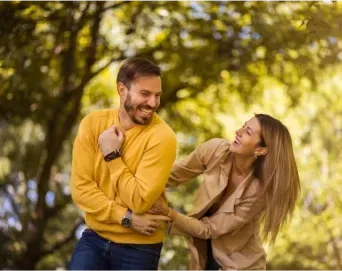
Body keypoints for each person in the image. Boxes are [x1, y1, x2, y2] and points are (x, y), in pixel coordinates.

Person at [149, 114, 301, 271]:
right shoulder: (216, 150)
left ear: (261, 150)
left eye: (248, 132)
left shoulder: (259, 193)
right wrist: (136, 181)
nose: (238, 131)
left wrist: (168, 213)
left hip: (239, 264)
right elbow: (172, 176)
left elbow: (209, 229)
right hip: (203, 255)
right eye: (243, 126)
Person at [69, 58, 177, 271]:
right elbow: (81, 190)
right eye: (145, 94)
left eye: (157, 96)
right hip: (94, 238)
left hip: (139, 249)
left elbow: (139, 201)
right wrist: (126, 218)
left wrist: (112, 155)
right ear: (121, 90)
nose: (153, 103)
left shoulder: (163, 137)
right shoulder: (93, 124)